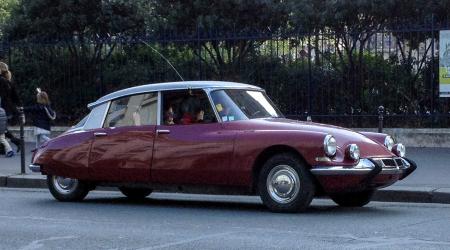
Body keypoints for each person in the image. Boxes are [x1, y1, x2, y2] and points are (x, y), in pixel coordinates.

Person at [0, 62, 22, 153]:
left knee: (2, 130)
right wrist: (19, 106)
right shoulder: (8, 81)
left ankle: (11, 145)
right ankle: (9, 145)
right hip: (9, 109)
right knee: (3, 130)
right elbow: (15, 96)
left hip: (3, 109)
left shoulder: (1, 80)